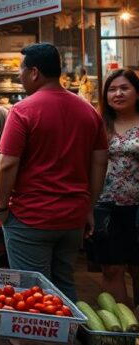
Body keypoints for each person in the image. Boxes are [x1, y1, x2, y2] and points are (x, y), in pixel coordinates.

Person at [0, 44, 108, 300]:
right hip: (73, 219)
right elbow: (100, 162)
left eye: (21, 70)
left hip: (31, 217)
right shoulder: (88, 112)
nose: (19, 77)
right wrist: (88, 206)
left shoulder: (22, 110)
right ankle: (69, 339)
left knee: (32, 293)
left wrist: (2, 206)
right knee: (64, 285)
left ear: (34, 72)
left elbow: (7, 164)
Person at [86, 69, 139, 306]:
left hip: (137, 207)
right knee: (112, 269)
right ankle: (124, 332)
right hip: (104, 206)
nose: (118, 93)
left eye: (124, 88)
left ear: (137, 93)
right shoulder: (98, 124)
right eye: (112, 89)